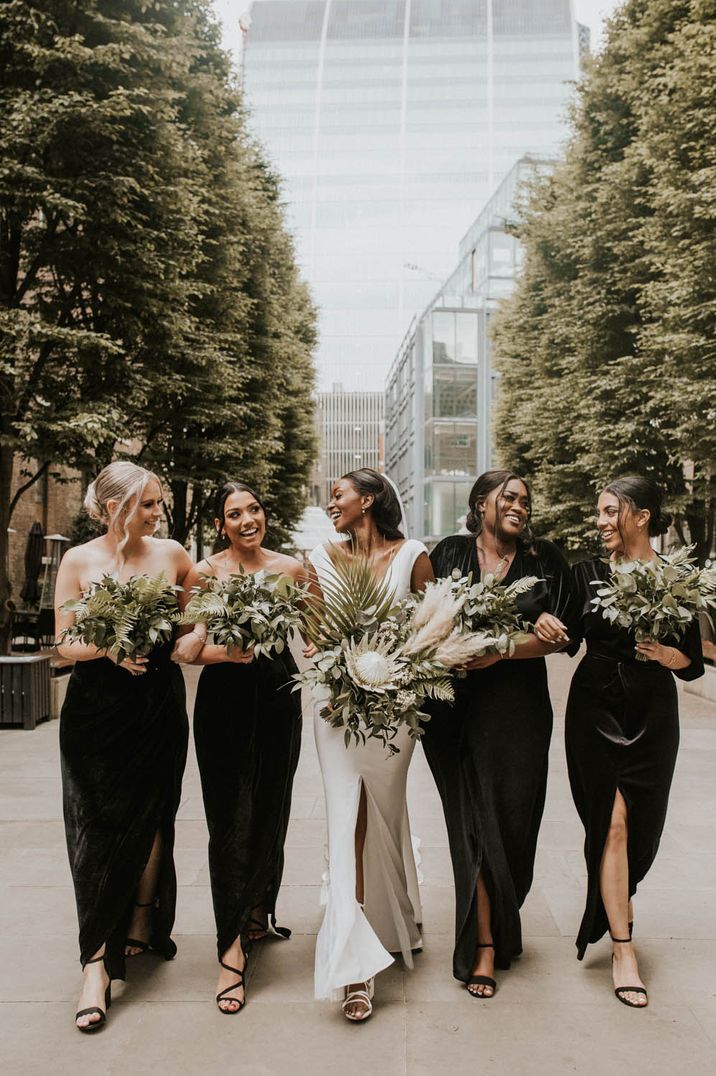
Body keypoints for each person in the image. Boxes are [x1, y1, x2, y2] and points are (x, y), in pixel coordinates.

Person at [422, 470, 577, 998]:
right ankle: (483, 946)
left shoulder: (545, 560)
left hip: (519, 714)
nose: (519, 506)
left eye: (525, 501)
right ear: (480, 504)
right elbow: (422, 621)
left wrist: (511, 645)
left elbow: (562, 636)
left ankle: (502, 923)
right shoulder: (449, 553)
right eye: (508, 497)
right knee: (472, 826)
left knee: (512, 825)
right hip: (453, 711)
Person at [55, 462, 197, 1033]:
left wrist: (196, 638)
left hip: (158, 706)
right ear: (114, 506)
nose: (158, 513)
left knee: (154, 815)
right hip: (96, 712)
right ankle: (95, 963)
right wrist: (109, 648)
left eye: (159, 503)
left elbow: (195, 619)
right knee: (93, 825)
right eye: (148, 504)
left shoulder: (173, 555)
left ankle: (142, 921)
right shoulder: (78, 560)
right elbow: (64, 642)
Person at [564, 476, 704, 1007]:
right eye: (597, 512)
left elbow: (691, 660)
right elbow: (565, 634)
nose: (600, 521)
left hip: (653, 708)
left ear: (641, 515)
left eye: (609, 512)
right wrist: (548, 623)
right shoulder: (585, 574)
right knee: (612, 822)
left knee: (642, 827)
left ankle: (618, 902)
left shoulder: (677, 578)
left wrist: (667, 655)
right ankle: (623, 949)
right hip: (595, 703)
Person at [308, 469, 433, 1021]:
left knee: (383, 814)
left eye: (338, 494)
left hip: (393, 713)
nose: (331, 503)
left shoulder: (414, 557)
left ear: (370, 500)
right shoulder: (320, 559)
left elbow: (434, 633)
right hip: (335, 709)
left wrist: (398, 677)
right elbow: (311, 638)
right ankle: (354, 968)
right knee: (347, 819)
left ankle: (395, 917)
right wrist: (338, 678)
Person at [178, 482, 307, 1014]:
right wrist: (223, 655)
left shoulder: (292, 570)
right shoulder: (204, 573)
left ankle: (258, 910)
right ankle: (230, 949)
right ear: (220, 525)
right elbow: (186, 648)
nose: (247, 519)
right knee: (228, 820)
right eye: (235, 514)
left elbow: (315, 635)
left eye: (254, 508)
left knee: (272, 811)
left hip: (279, 695)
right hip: (224, 704)